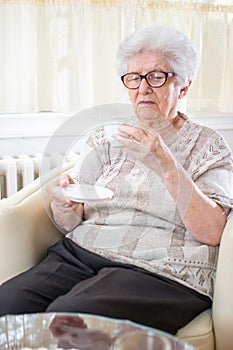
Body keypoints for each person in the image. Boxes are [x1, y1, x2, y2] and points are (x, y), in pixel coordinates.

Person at [0, 25, 232, 336]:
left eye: (157, 76)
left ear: (184, 86)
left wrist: (166, 164)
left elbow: (214, 231)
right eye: (134, 78)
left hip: (159, 270)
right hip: (82, 253)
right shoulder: (110, 138)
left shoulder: (207, 145)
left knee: (67, 323)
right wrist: (66, 206)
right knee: (7, 305)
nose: (143, 88)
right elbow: (74, 217)